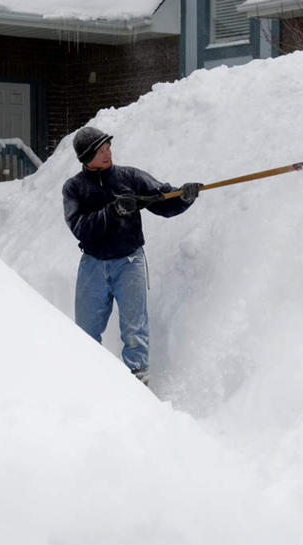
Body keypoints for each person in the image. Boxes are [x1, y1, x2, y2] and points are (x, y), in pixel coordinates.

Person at [62, 126, 201, 385]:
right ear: (85, 158)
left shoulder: (129, 177)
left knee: (134, 330)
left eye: (108, 148)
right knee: (84, 332)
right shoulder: (74, 189)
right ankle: (87, 383)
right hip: (92, 265)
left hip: (129, 262)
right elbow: (80, 228)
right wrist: (112, 211)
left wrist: (184, 197)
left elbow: (163, 198)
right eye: (99, 151)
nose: (107, 154)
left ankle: (138, 384)